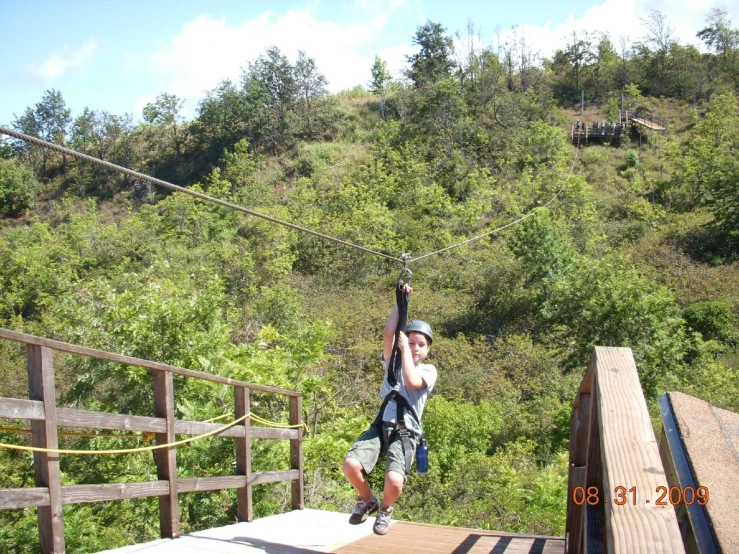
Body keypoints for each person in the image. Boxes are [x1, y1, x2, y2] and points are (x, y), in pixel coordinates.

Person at [342, 284, 437, 536]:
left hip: (406, 432)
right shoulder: (391, 362)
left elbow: (411, 381)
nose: (416, 347)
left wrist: (405, 349)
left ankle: (385, 508)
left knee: (394, 481)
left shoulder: (428, 371)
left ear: (427, 350)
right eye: (412, 342)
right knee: (351, 464)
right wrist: (401, 301)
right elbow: (388, 333)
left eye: (421, 345)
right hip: (382, 425)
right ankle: (367, 499)